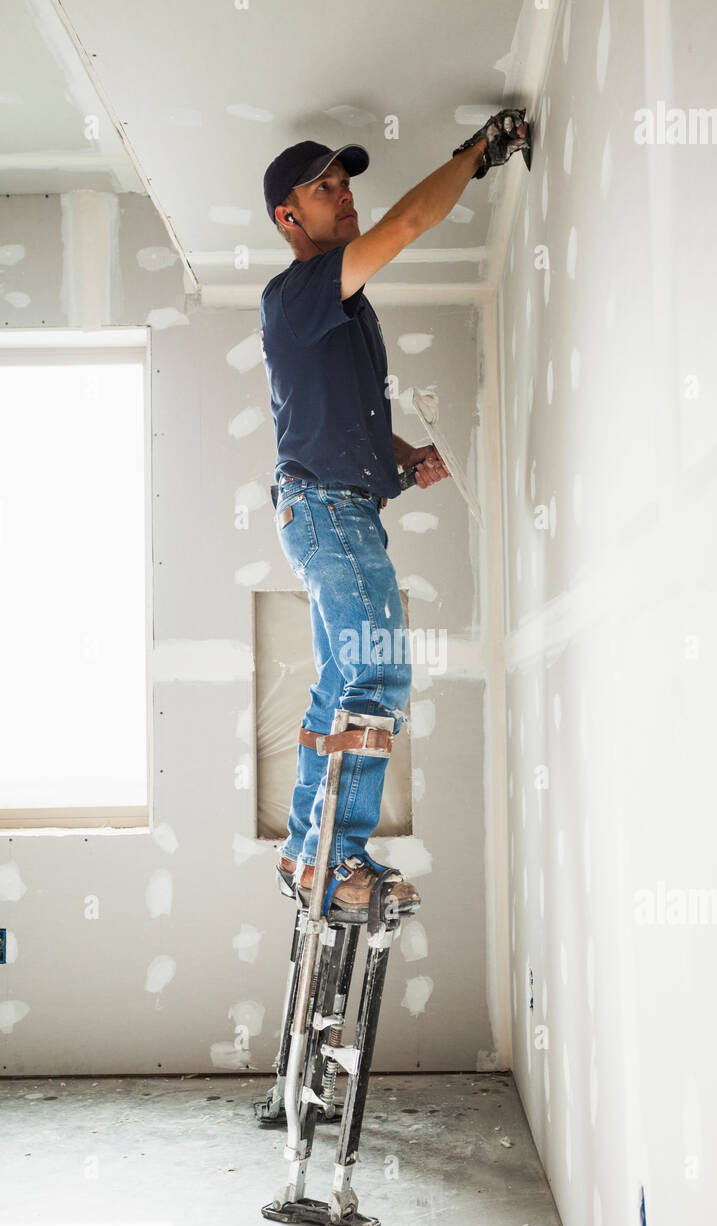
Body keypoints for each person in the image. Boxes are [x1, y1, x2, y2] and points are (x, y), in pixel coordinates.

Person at [260, 112, 528, 918]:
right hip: (328, 514)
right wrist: (477, 155)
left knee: (346, 680)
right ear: (289, 217)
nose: (346, 199)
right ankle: (332, 861)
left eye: (347, 185)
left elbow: (339, 423)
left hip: (333, 511)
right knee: (376, 671)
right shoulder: (304, 288)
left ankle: (312, 855)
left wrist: (403, 463)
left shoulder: (329, 308)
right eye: (326, 189)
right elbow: (409, 221)